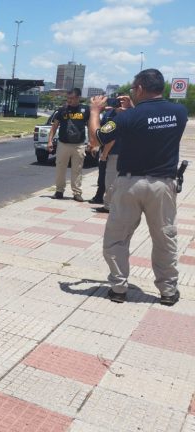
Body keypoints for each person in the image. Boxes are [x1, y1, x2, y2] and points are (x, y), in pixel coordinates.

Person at [88, 69, 188, 306]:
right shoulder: (180, 112)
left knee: (117, 238)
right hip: (163, 185)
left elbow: (95, 139)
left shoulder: (126, 118)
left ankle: (118, 288)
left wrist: (95, 111)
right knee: (165, 238)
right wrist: (133, 107)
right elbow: (151, 122)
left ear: (140, 88)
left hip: (130, 184)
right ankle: (167, 290)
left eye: (133, 88)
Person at [48, 88, 91, 201]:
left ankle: (77, 192)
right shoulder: (62, 110)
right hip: (63, 144)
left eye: (72, 98)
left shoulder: (85, 110)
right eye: (68, 98)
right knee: (60, 168)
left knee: (77, 169)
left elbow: (90, 126)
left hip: (79, 145)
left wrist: (91, 141)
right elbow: (54, 126)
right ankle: (59, 191)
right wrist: (49, 141)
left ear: (78, 98)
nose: (69, 100)